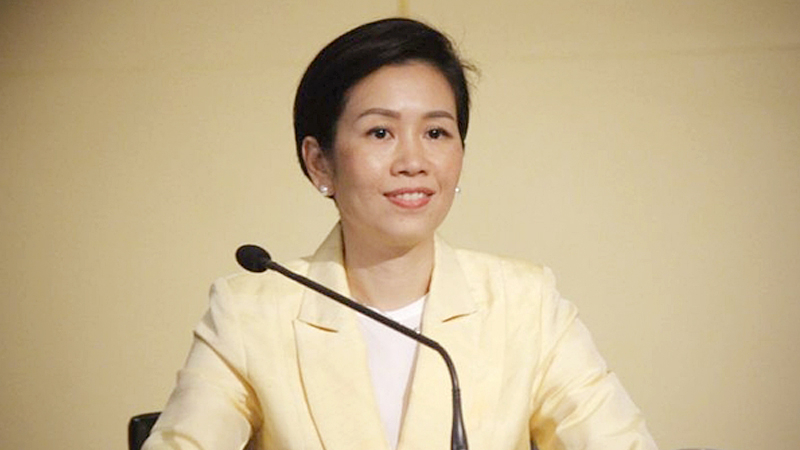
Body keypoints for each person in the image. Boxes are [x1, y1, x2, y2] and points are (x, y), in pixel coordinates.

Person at [143, 18, 658, 450]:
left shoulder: (525, 306)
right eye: (380, 132)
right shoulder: (251, 314)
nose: (414, 161)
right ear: (319, 162)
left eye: (436, 132)